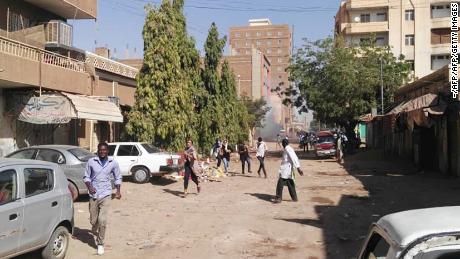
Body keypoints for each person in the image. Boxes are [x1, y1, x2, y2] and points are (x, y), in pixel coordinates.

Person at [84, 142, 122, 255]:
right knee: (93, 220)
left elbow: (118, 176)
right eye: (100, 150)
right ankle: (94, 226)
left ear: (107, 151)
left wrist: (118, 190)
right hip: (94, 195)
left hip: (106, 193)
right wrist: (90, 187)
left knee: (103, 220)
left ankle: (100, 243)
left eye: (104, 150)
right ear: (98, 150)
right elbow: (86, 176)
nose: (102, 152)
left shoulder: (113, 163)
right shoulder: (91, 162)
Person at [274, 139, 304, 203]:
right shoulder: (287, 149)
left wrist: (298, 168)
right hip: (287, 170)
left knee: (280, 182)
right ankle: (294, 198)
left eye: (282, 143)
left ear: (284, 143)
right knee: (290, 183)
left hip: (286, 169)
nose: (282, 145)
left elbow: (294, 158)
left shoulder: (288, 149)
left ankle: (278, 198)